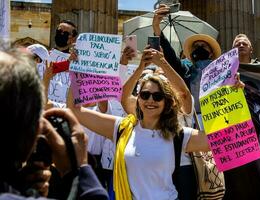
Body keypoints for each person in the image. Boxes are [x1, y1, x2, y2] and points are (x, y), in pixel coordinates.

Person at [67, 47, 210, 200]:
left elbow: (220, 138)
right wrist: (77, 70)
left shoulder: (179, 135)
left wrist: (235, 96)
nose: (150, 100)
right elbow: (74, 110)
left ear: (167, 102)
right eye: (145, 94)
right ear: (138, 99)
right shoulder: (121, 128)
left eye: (157, 96)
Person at [0, 47, 108, 199]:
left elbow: (102, 104)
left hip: (94, 165)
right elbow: (60, 104)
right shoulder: (66, 108)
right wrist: (76, 169)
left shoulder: (101, 110)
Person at [152, 4, 221, 126]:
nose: (199, 48)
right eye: (196, 47)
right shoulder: (185, 69)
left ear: (210, 53)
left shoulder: (222, 70)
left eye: (203, 46)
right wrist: (157, 27)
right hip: (192, 121)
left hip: (218, 120)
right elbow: (170, 55)